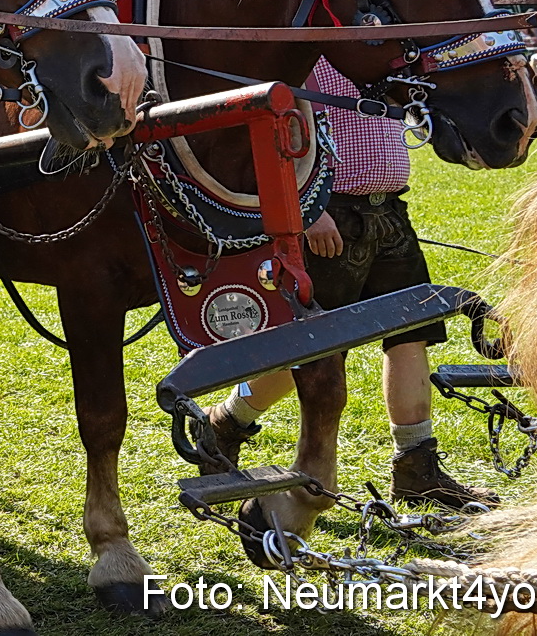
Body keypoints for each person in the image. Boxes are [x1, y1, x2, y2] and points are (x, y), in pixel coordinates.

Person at [202, 57, 497, 509]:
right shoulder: (311, 60)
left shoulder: (380, 58)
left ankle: (416, 467)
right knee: (314, 349)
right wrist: (307, 208)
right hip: (332, 218)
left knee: (410, 337)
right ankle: (227, 421)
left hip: (390, 214)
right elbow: (279, 133)